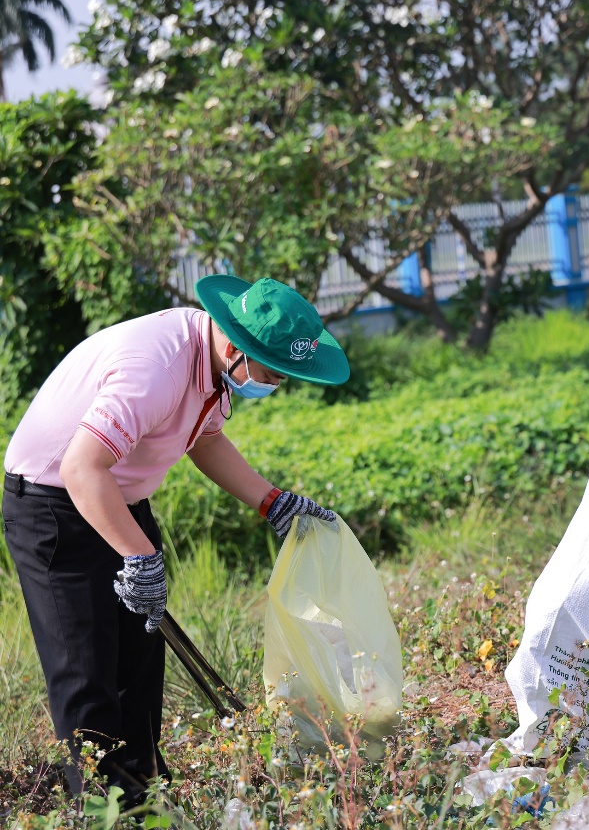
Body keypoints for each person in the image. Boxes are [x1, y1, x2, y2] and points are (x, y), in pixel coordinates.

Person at [2, 276, 349, 803]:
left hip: (117, 497)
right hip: (55, 507)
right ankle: (98, 808)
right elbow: (81, 468)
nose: (275, 386)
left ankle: (141, 797)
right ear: (236, 347)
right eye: (273, 374)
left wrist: (271, 501)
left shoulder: (210, 360)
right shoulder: (156, 370)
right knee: (87, 669)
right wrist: (139, 556)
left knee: (140, 661)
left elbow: (204, 436)